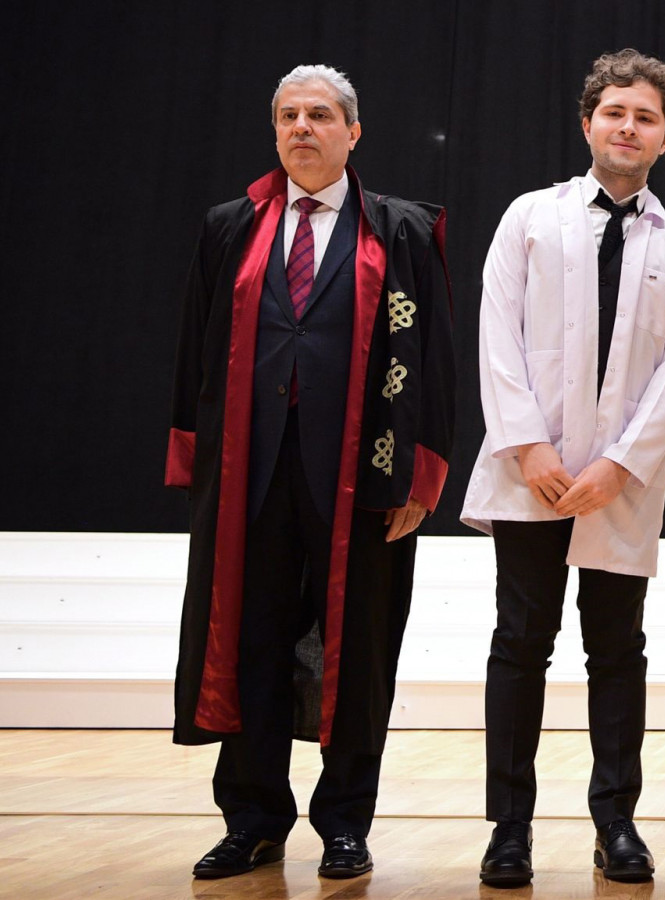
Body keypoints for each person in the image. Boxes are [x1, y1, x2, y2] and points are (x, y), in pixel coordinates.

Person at [166, 64, 454, 880]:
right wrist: (193, 461)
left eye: (320, 115)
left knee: (356, 648)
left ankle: (345, 823)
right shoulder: (232, 226)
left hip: (363, 474)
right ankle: (253, 819)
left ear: (352, 132)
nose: (302, 128)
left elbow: (433, 358)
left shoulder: (400, 230)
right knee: (249, 640)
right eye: (288, 115)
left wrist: (422, 477)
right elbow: (194, 347)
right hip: (249, 475)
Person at [459, 49, 665, 888]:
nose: (627, 127)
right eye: (615, 113)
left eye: (645, 118)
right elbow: (496, 334)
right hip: (529, 470)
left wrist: (620, 465)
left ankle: (616, 822)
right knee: (520, 644)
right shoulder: (530, 217)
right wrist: (527, 445)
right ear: (587, 123)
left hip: (617, 486)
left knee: (618, 651)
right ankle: (509, 829)